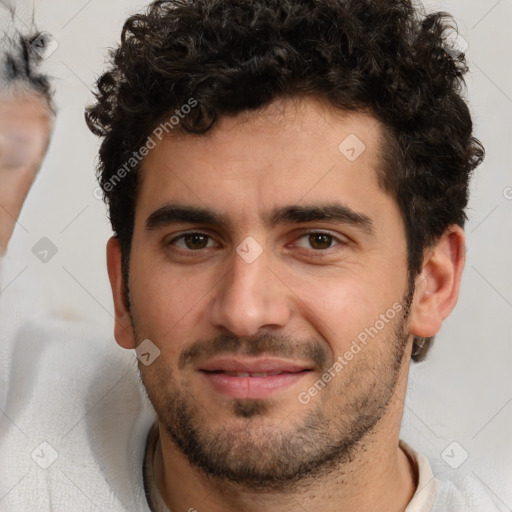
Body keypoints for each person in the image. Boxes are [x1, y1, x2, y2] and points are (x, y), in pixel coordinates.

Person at [0, 0, 507, 510]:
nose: (244, 311)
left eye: (317, 241)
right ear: (122, 291)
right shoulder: (21, 424)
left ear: (433, 282)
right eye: (194, 241)